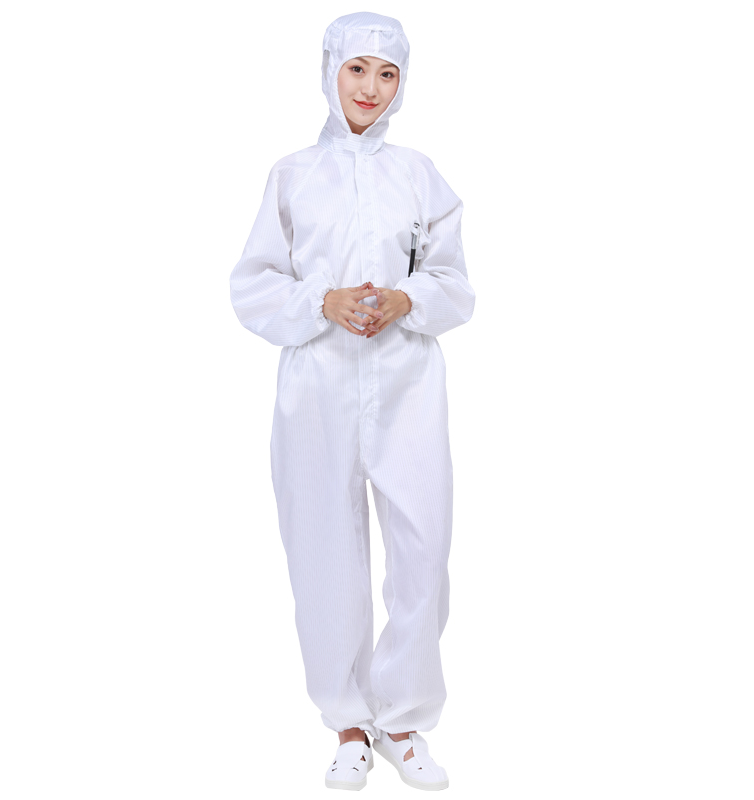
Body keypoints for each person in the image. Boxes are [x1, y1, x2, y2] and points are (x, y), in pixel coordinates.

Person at [229, 11, 475, 792]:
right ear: (330, 71)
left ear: (403, 84)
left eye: (387, 73)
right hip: (318, 385)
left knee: (422, 549)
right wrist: (321, 302)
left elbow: (455, 282)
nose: (371, 87)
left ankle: (402, 721)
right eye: (358, 69)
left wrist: (407, 299)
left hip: (407, 384)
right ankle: (347, 724)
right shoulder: (293, 175)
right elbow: (252, 283)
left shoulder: (421, 175)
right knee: (324, 552)